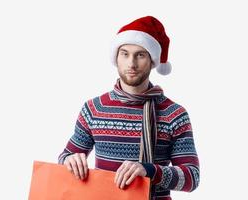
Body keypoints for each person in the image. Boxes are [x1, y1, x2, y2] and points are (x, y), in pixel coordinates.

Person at [58, 16, 200, 200]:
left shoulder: (174, 113)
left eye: (140, 55)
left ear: (152, 60)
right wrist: (69, 160)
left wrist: (149, 170)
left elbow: (192, 177)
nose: (131, 63)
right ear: (116, 58)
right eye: (125, 53)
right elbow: (66, 157)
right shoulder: (94, 108)